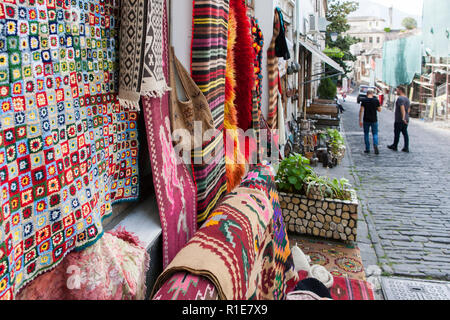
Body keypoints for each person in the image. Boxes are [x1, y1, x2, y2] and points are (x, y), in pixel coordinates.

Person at [388, 86, 410, 152]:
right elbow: (408, 109)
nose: (396, 91)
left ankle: (395, 145)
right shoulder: (407, 99)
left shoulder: (400, 99)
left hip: (400, 119)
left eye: (397, 90)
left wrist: (403, 117)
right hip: (406, 118)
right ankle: (406, 147)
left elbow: (402, 108)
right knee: (405, 133)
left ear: (400, 90)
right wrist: (406, 116)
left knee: (397, 133)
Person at [359, 90, 381, 154]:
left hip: (366, 119)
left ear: (367, 94)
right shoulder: (376, 100)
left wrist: (360, 120)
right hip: (374, 119)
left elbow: (361, 111)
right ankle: (375, 144)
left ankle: (367, 148)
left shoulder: (364, 101)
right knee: (375, 133)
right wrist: (376, 108)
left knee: (366, 134)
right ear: (372, 94)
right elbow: (379, 110)